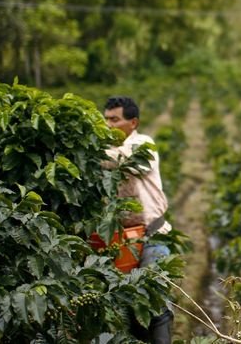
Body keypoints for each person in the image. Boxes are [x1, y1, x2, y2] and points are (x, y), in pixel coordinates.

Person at [100, 95, 173, 344]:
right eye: (106, 119)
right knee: (125, 307)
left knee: (154, 298)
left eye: (115, 120)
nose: (109, 125)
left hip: (151, 234)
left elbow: (124, 161)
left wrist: (87, 151)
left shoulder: (143, 145)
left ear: (133, 122)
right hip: (119, 241)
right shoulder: (105, 149)